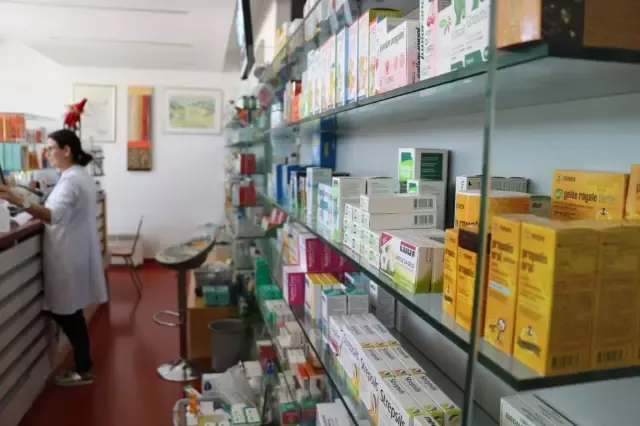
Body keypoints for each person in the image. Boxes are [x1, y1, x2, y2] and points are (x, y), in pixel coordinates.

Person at [0, 129, 108, 386]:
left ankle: (83, 369)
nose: (46, 153)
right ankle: (84, 364)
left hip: (67, 255)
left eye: (50, 148)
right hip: (73, 252)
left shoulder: (71, 181)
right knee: (70, 312)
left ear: (66, 150)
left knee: (66, 313)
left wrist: (18, 199)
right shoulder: (78, 175)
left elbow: (53, 215)